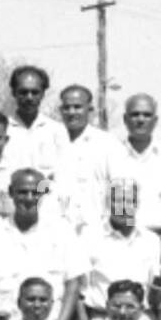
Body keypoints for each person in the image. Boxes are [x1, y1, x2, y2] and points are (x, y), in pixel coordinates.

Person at [0, 168, 88, 320]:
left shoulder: (62, 232)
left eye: (35, 193)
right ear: (11, 193)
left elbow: (73, 284)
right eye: (22, 192)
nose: (29, 198)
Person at [80, 179, 161, 320]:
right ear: (107, 203)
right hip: (102, 319)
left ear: (137, 204)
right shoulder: (90, 237)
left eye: (129, 201)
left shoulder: (151, 240)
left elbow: (155, 291)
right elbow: (80, 293)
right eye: (117, 201)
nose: (124, 207)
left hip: (141, 319)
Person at [106, 93, 161, 239]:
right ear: (125, 119)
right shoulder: (110, 156)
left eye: (147, 115)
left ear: (155, 120)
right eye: (135, 115)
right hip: (122, 238)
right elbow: (102, 205)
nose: (141, 120)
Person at [49, 84, 116, 233]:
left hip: (99, 232)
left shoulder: (107, 143)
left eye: (77, 107)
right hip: (58, 234)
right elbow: (41, 186)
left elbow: (124, 186)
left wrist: (123, 234)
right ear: (60, 110)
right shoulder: (50, 143)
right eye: (66, 108)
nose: (71, 112)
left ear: (90, 110)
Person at [4, 65, 63, 179]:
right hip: (9, 195)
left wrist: (39, 191)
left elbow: (59, 174)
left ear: (43, 94)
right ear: (13, 93)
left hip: (46, 194)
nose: (29, 97)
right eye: (23, 92)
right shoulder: (2, 130)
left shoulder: (56, 131)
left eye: (35, 92)